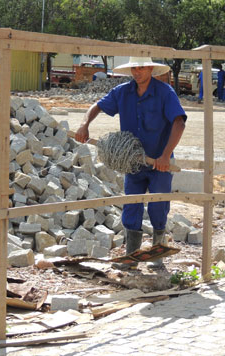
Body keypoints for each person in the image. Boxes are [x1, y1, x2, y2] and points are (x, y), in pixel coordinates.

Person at [75, 57, 187, 270]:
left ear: (151, 69)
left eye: (142, 67)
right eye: (134, 68)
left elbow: (179, 123)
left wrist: (165, 156)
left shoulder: (165, 93)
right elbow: (97, 106)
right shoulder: (123, 92)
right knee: (131, 206)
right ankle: (131, 256)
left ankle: (157, 255)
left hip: (159, 163)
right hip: (132, 163)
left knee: (158, 207)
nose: (137, 72)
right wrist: (84, 124)